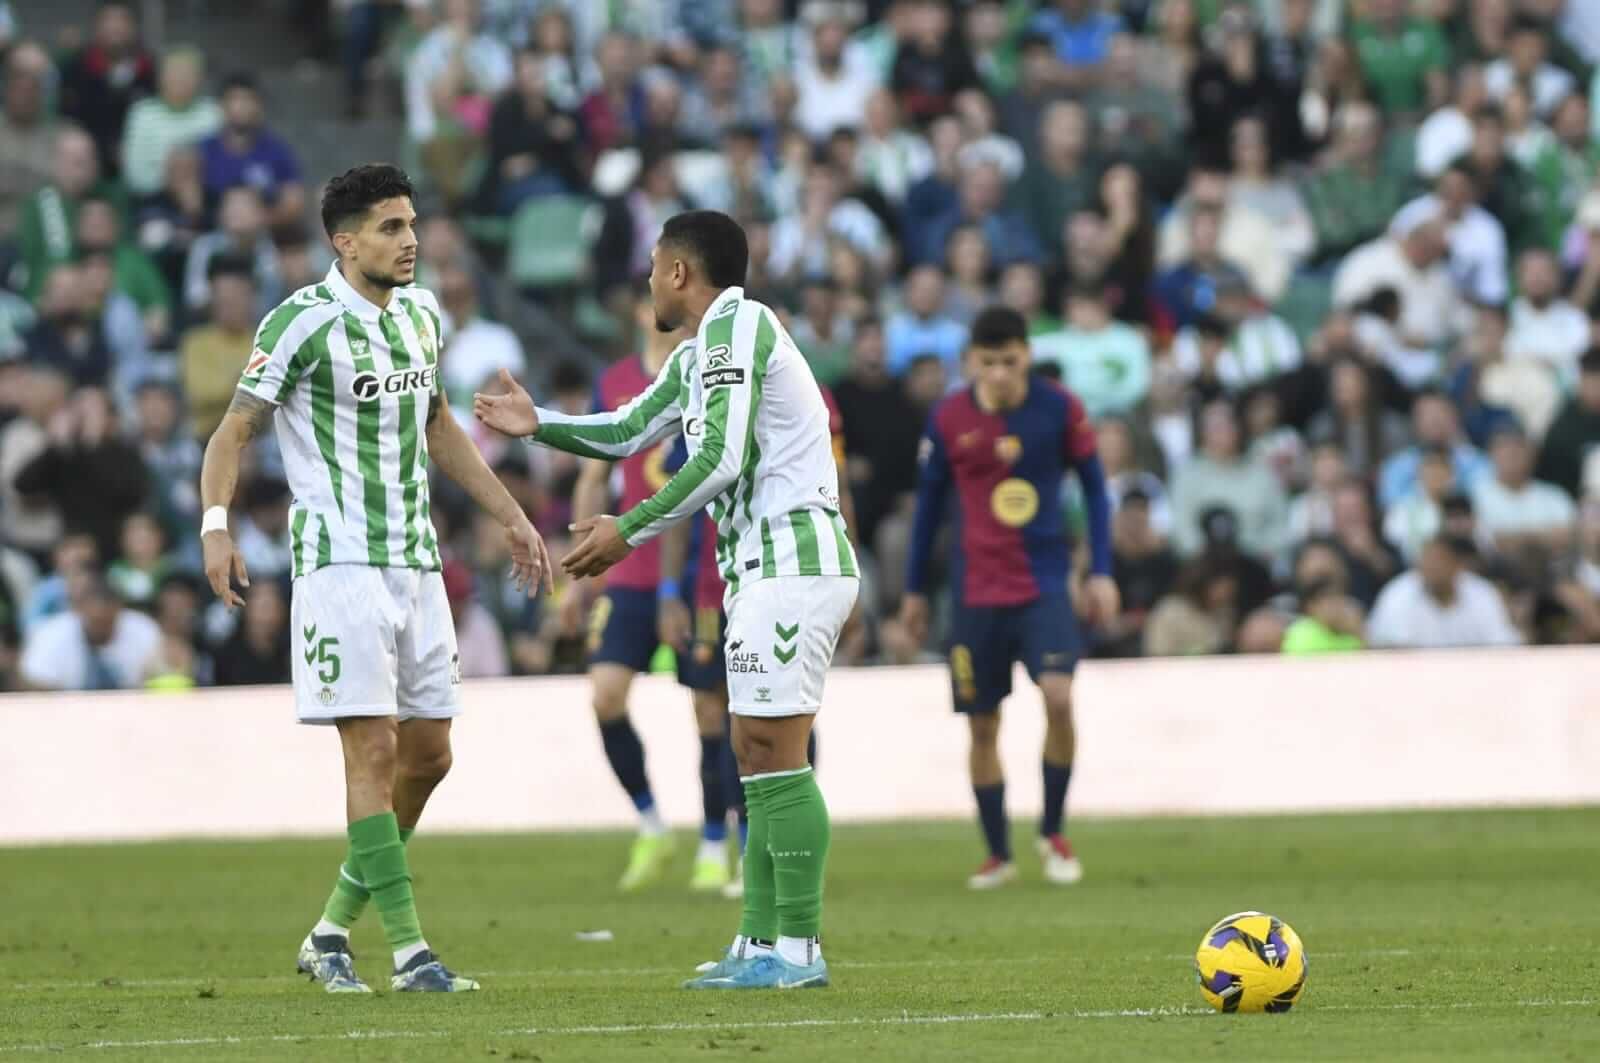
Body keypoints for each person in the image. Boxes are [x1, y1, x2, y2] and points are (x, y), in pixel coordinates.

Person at [475, 209, 857, 990]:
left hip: (794, 558)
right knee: (753, 752)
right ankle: (759, 939)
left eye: (653, 266)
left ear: (679, 271)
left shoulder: (742, 325)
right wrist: (538, 424)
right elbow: (627, 430)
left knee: (776, 751)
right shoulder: (699, 353)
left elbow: (717, 457)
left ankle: (800, 947)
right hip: (759, 567)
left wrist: (629, 529)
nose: (647, 281)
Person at [197, 164, 552, 995]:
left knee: (430, 755)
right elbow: (232, 432)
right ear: (344, 242)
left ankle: (328, 931)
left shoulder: (423, 316)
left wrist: (510, 514)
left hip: (417, 562)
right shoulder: (301, 322)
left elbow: (439, 426)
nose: (410, 240)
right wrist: (216, 526)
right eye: (391, 227)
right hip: (340, 563)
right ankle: (410, 952)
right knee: (374, 747)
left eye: (413, 224)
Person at [898, 306, 1117, 890]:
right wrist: (915, 591)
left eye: (1010, 361)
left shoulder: (1059, 409)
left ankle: (1053, 831)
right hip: (975, 593)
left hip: (1044, 586)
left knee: (1060, 697)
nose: (998, 373)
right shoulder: (948, 418)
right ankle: (998, 853)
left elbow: (1096, 491)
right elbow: (927, 512)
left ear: (1027, 355)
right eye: (988, 362)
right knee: (982, 725)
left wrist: (1101, 570)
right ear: (971, 361)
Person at [559, 294, 731, 893]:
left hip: (695, 569)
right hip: (628, 568)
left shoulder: (708, 370)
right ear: (638, 311)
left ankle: (715, 843)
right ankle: (653, 824)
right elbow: (594, 474)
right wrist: (578, 574)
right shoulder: (615, 383)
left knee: (709, 709)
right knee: (606, 695)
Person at [1366, 536, 1521, 649]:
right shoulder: (1397, 595)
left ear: (1457, 565)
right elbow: (1388, 650)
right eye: (1427, 560)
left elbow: (1503, 645)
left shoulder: (1482, 593)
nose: (1432, 567)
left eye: (1439, 560)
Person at [18, 569, 160, 690]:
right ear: (79, 610)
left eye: (107, 621)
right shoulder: (51, 634)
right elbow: (35, 684)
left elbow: (156, 679)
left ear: (119, 610)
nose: (101, 627)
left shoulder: (143, 629)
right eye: (95, 621)